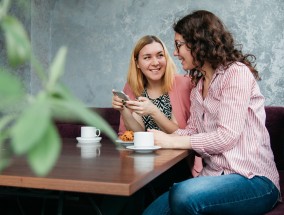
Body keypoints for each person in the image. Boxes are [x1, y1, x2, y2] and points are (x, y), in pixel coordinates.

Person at [143, 10, 280, 215]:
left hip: (254, 180)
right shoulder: (199, 87)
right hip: (213, 176)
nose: (175, 52)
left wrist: (171, 141)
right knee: (150, 213)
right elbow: (192, 132)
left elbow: (226, 137)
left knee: (184, 194)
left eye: (179, 45)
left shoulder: (236, 73)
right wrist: (159, 138)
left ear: (199, 42)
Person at [112, 35, 203, 177]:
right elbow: (136, 135)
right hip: (142, 162)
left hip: (179, 164)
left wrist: (154, 112)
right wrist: (124, 110)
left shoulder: (185, 84)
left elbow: (187, 135)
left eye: (160, 55)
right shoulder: (132, 88)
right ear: (137, 63)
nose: (155, 62)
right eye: (147, 57)